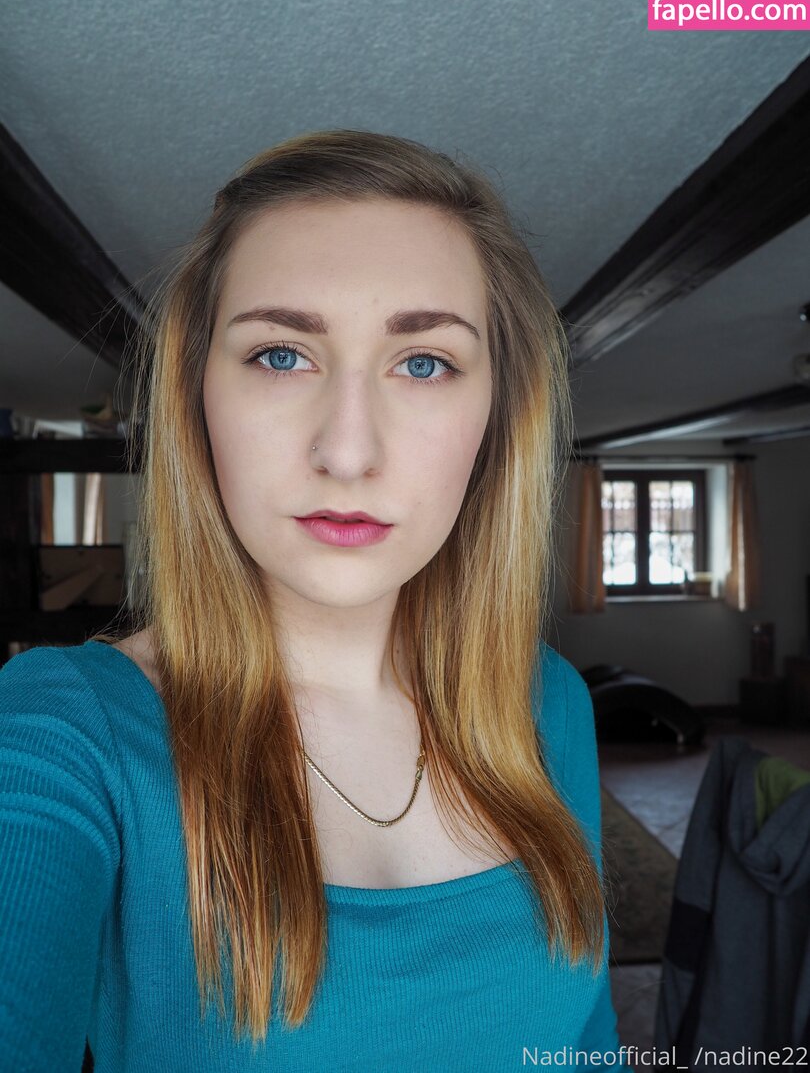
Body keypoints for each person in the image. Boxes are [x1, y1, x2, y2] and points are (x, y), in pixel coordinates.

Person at [0, 129, 632, 1071]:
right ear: (196, 399)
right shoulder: (64, 734)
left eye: (424, 363)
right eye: (280, 355)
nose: (347, 451)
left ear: (497, 419)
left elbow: (587, 1049)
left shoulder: (548, 702)